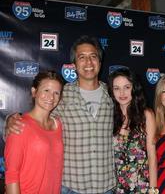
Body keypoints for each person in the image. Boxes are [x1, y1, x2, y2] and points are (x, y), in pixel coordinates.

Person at [5, 35, 115, 194]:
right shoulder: (63, 95)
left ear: (100, 61)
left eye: (93, 56)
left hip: (106, 186)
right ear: (74, 65)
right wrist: (10, 120)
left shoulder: (113, 94)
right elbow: (35, 120)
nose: (88, 62)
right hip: (72, 188)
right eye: (81, 57)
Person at [5, 71, 64, 193]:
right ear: (34, 92)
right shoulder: (19, 125)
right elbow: (12, 174)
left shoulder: (59, 125)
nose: (51, 97)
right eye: (46, 90)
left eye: (56, 93)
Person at [107, 68, 156, 193]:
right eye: (117, 88)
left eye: (127, 87)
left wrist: (153, 189)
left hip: (142, 186)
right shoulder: (109, 117)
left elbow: (152, 156)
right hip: (116, 188)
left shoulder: (146, 115)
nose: (122, 93)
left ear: (134, 88)